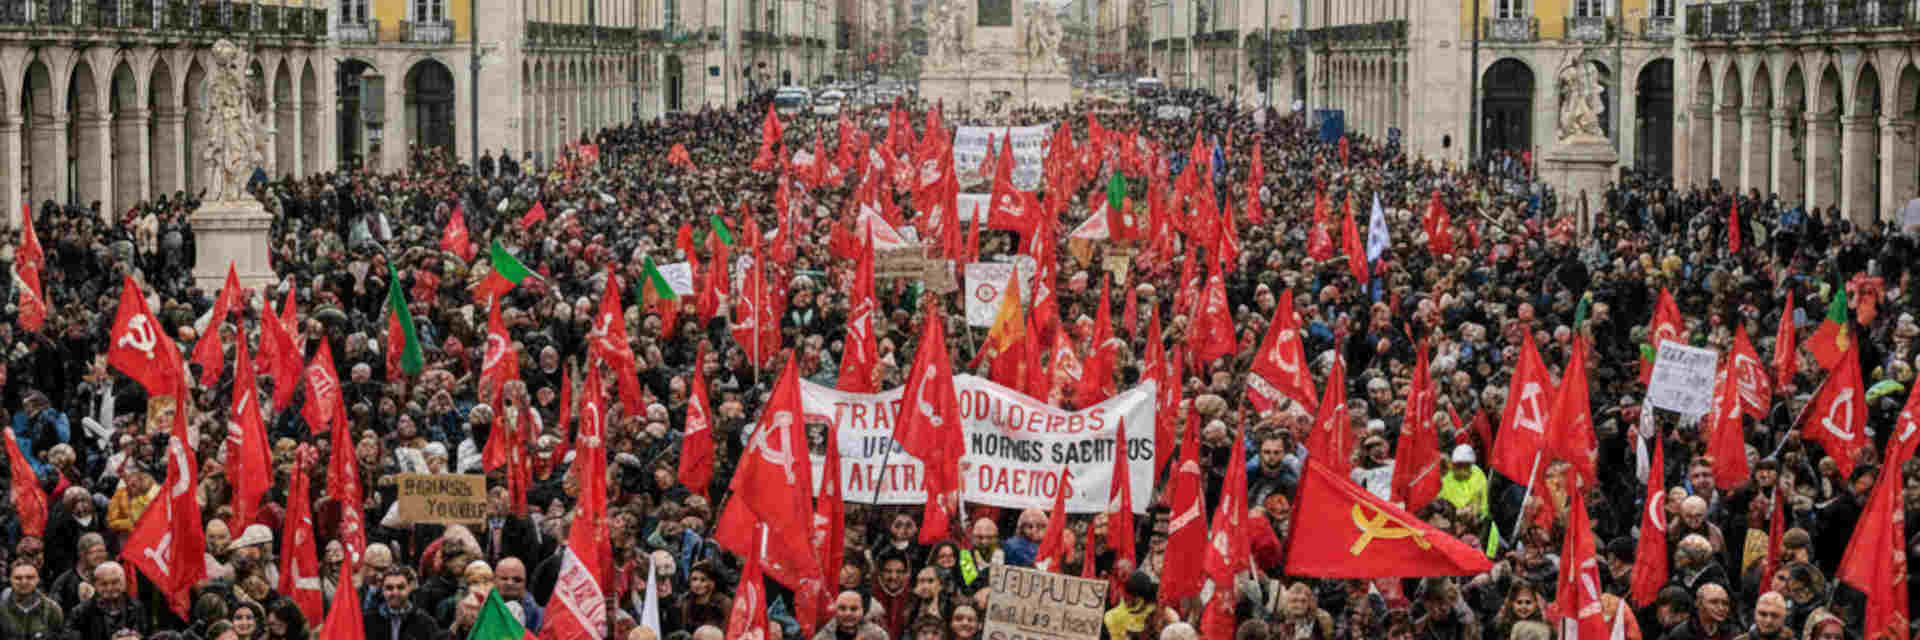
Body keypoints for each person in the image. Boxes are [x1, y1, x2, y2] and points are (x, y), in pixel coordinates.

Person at [0, 563, 63, 639]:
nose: (24, 582)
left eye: (30, 577)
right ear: (10, 580)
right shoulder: (2, 610)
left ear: (38, 579)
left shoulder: (52, 609)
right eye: (18, 578)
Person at [815, 591, 886, 640]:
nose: (848, 613)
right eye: (842, 608)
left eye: (854, 609)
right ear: (835, 611)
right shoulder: (823, 637)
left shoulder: (878, 636)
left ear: (862, 611)